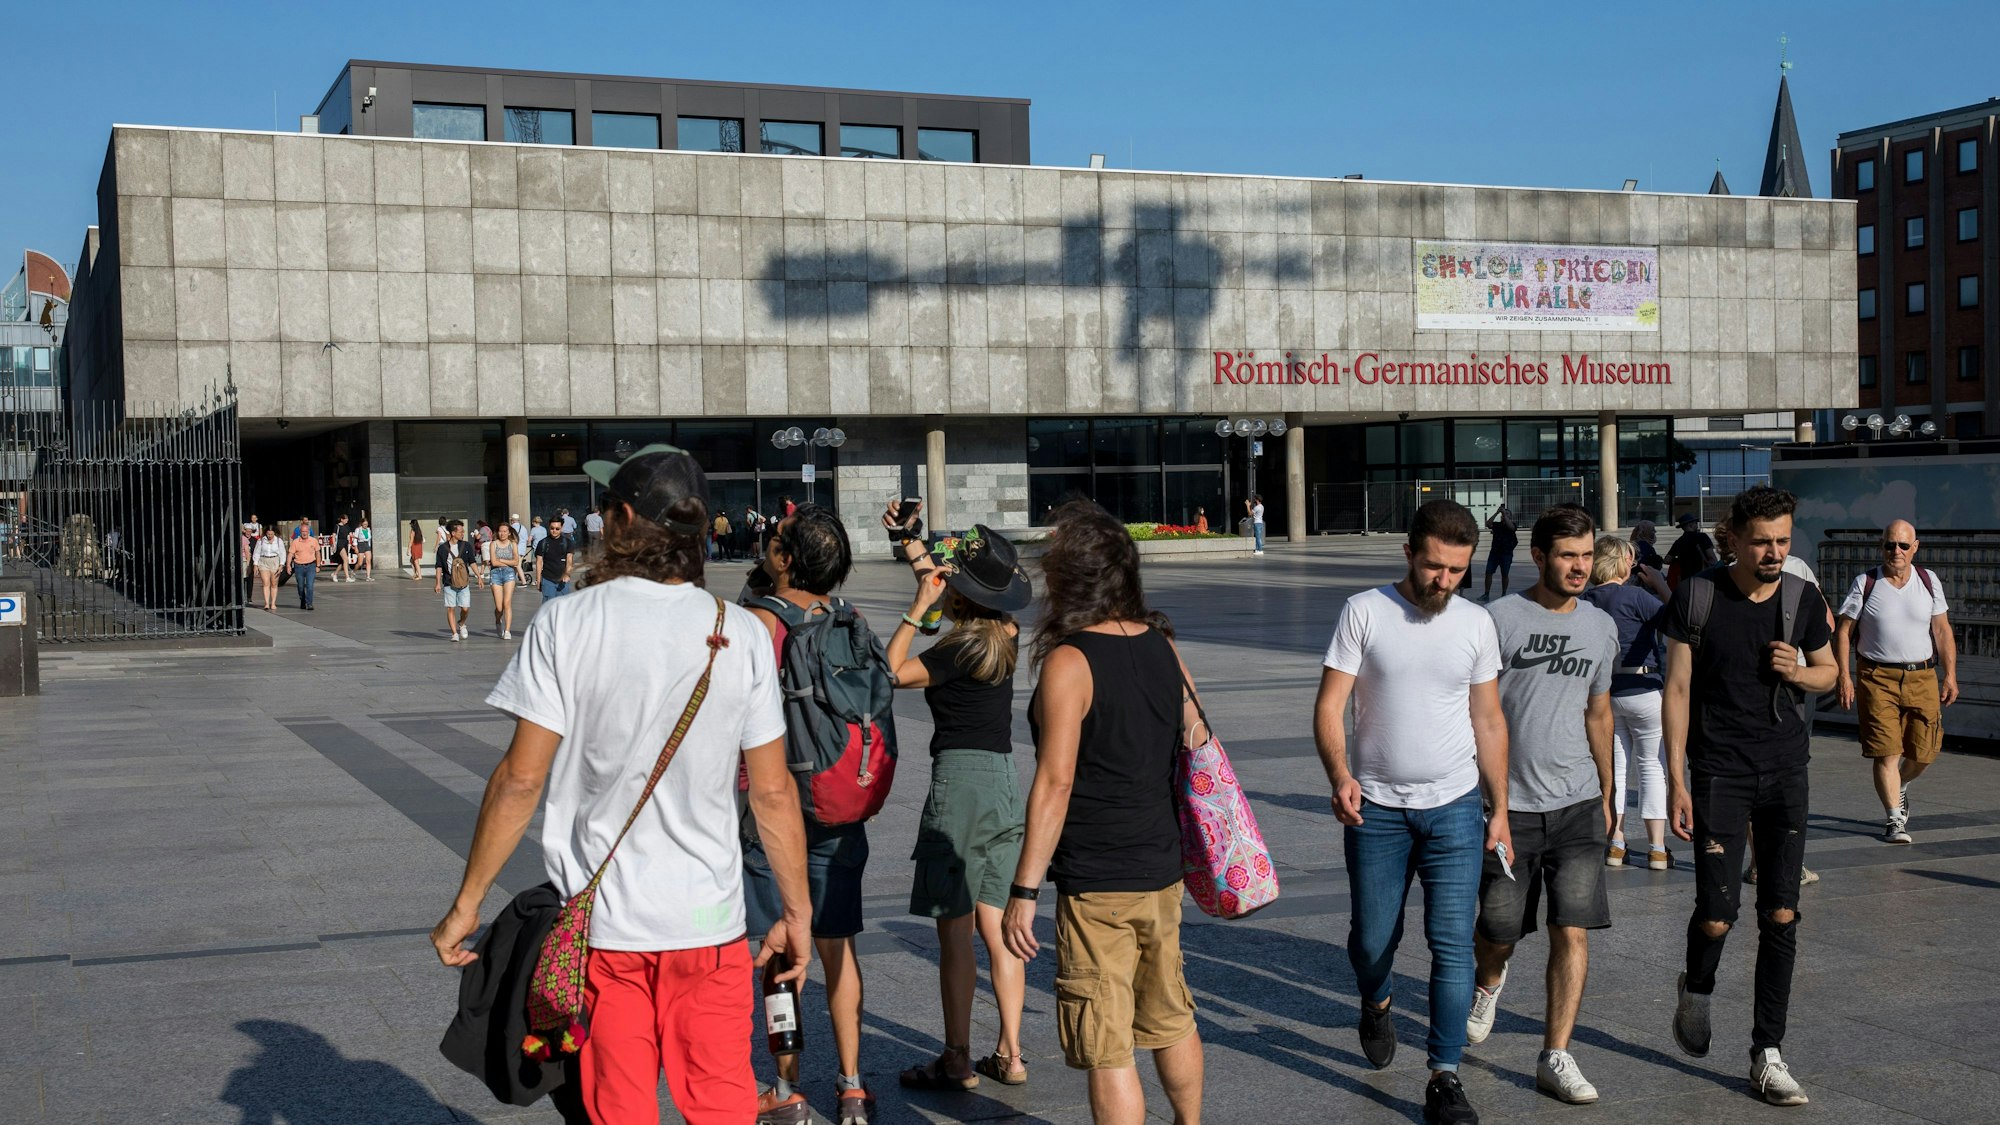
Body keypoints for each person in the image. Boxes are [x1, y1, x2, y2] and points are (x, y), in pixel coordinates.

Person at [429, 443, 813, 1125]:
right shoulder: (740, 631)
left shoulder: (566, 623)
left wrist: (468, 903)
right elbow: (774, 792)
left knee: (620, 1111)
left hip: (605, 934)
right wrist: (797, 912)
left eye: (607, 507)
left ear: (624, 519)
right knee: (724, 1104)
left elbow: (521, 779)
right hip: (711, 927)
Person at [1001, 500, 1204, 1125]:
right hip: (1163, 871)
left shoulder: (1070, 661)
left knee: (1108, 1045)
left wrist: (1024, 889)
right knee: (1171, 1017)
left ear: (1069, 580)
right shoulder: (1163, 646)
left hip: (1098, 882)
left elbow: (1055, 784)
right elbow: (1197, 741)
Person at [1313, 498, 1509, 1125]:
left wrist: (1499, 806)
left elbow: (1488, 717)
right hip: (1376, 809)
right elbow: (1329, 704)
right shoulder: (1365, 612)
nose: (1443, 582)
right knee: (1373, 941)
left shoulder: (1476, 624)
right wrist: (1340, 775)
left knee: (1452, 945)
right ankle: (1376, 1001)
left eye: (1456, 570)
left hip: (1454, 808)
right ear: (1409, 553)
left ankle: (1444, 1074)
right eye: (1433, 567)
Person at [1662, 486, 1835, 1107]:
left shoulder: (1800, 595)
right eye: (1763, 541)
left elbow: (1830, 673)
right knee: (1717, 913)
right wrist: (1676, 781)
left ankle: (1768, 1052)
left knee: (1781, 913)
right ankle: (1697, 987)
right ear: (1733, 536)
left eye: (1783, 541)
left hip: (1787, 771)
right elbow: (1676, 690)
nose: (1774, 552)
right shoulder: (1699, 595)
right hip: (1719, 772)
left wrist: (1799, 671)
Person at [1465, 506, 1618, 1105]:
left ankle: (1556, 1054)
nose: (1579, 567)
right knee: (1499, 929)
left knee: (1571, 929)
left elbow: (1599, 713)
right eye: (1567, 556)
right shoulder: (1496, 619)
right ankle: (1489, 981)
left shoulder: (1601, 627)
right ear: (1539, 557)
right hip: (1510, 805)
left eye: (1586, 556)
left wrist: (1611, 794)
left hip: (1578, 802)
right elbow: (1475, 711)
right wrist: (1484, 796)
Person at [884, 514, 1034, 1093]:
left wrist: (911, 610)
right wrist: (913, 545)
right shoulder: (1005, 632)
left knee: (956, 935)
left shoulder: (959, 646)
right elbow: (945, 588)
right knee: (998, 930)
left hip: (961, 785)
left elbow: (895, 669)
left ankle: (957, 1058)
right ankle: (1012, 1053)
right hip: (1003, 783)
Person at [740, 505, 876, 1125]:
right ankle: (851, 1086)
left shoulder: (759, 624)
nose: (767, 548)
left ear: (786, 559)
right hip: (841, 805)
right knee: (837, 948)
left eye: (774, 543)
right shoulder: (852, 620)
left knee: (780, 956)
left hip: (776, 813)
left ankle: (787, 1086)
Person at [1834, 519, 1958, 845]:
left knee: (1925, 752)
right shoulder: (1866, 582)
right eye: (1890, 545)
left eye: (1904, 545)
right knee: (1887, 751)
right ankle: (1893, 820)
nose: (1897, 551)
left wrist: (1951, 675)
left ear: (1915, 547)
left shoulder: (1928, 581)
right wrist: (1844, 676)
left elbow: (1942, 631)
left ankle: (1901, 784)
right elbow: (1844, 631)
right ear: (1882, 546)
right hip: (1877, 677)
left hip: (1923, 676)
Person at [1581, 537, 1671, 870]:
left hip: (1604, 695)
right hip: (1645, 688)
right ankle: (1657, 849)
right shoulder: (1637, 597)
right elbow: (1678, 619)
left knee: (1614, 771)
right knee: (1651, 767)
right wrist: (1660, 585)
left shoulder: (1586, 601)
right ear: (1623, 563)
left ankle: (1616, 843)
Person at [434, 520, 483, 641]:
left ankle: (461, 623)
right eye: (460, 531)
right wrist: (437, 583)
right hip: (448, 582)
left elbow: (472, 562)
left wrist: (479, 577)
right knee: (451, 607)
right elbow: (439, 566)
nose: (463, 533)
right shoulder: (443, 548)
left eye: (463, 531)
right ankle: (454, 633)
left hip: (463, 582)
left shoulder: (466, 545)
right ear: (453, 532)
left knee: (465, 608)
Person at [1664, 512, 1718, 590]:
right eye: (1695, 523)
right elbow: (1711, 557)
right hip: (1702, 578)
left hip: (1685, 580)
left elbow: (1666, 560)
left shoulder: (1679, 541)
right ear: (1691, 524)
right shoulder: (1702, 537)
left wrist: (1680, 560)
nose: (1697, 525)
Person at [488, 522, 524, 640]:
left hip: (509, 574)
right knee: (499, 607)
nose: (502, 533)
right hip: (496, 574)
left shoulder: (513, 544)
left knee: (507, 603)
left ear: (509, 533)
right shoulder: (493, 544)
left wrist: (502, 559)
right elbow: (493, 562)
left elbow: (516, 562)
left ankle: (507, 630)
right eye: (500, 531)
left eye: (505, 531)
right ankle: (498, 620)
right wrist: (507, 561)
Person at [1481, 503, 1519, 602]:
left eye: (1507, 514)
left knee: (1504, 574)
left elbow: (1511, 527)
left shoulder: (1513, 524)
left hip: (1506, 554)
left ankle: (1503, 593)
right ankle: (1486, 593)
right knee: (1488, 573)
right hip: (1494, 553)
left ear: (1510, 516)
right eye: (1503, 513)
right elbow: (1488, 524)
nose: (1504, 515)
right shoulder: (1497, 525)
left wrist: (1505, 514)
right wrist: (1497, 512)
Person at [535, 517, 574, 599]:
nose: (554, 531)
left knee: (562, 606)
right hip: (547, 579)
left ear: (562, 528)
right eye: (552, 528)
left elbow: (569, 560)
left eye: (557, 528)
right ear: (549, 527)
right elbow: (539, 562)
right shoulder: (543, 543)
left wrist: (567, 574)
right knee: (548, 606)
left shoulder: (567, 542)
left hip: (563, 580)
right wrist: (538, 580)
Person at [286, 521, 320, 610]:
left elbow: (317, 553)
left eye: (306, 531)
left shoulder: (313, 541)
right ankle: (302, 600)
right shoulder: (295, 542)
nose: (304, 533)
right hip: (299, 566)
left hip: (311, 565)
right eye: (302, 532)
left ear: (308, 531)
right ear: (300, 532)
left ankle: (309, 603)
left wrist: (318, 565)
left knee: (309, 585)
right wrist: (288, 566)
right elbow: (290, 554)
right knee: (300, 586)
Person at [252, 526, 284, 611]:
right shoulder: (261, 541)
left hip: (275, 561)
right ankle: (266, 603)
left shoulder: (278, 541)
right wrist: (255, 565)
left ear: (274, 533)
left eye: (272, 534)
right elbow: (257, 552)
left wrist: (281, 564)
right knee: (266, 583)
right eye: (268, 534)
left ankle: (273, 603)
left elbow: (282, 553)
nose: (270, 536)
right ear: (266, 533)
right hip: (263, 561)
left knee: (274, 583)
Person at [354, 517, 374, 581]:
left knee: (368, 561)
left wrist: (369, 546)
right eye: (364, 524)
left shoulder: (368, 529)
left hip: (366, 545)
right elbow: (355, 539)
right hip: (361, 544)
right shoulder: (358, 529)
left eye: (366, 524)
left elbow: (369, 539)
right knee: (360, 563)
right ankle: (353, 571)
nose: (366, 525)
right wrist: (356, 547)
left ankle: (368, 576)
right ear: (362, 524)